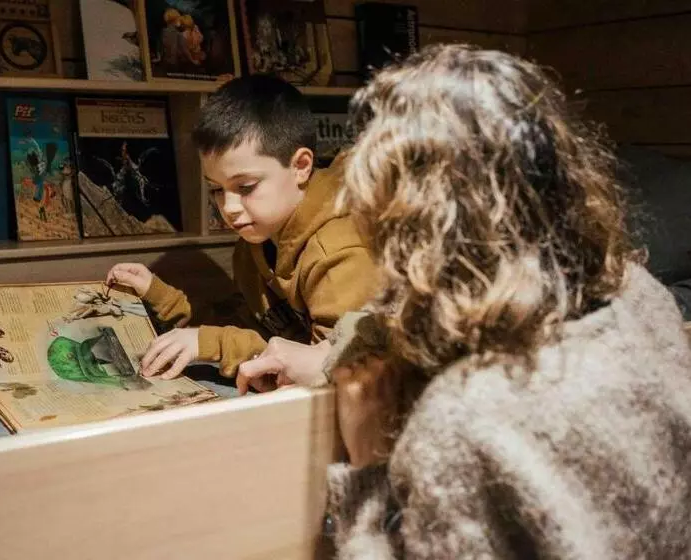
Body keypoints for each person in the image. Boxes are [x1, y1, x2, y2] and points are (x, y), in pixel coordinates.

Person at [244, 44, 691, 558]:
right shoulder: (643, 298)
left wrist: (368, 465)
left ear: (415, 234)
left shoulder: (462, 420)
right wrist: (334, 354)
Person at [106, 74, 374, 383]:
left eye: (245, 187)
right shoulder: (256, 239)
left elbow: (327, 376)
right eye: (217, 190)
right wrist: (160, 296)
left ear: (300, 166)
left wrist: (213, 345)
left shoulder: (339, 252)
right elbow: (246, 328)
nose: (229, 208)